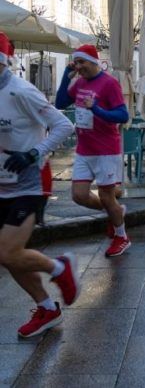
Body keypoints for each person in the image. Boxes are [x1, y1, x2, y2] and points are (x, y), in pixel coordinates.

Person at [0, 32, 80, 338]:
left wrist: (33, 153)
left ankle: (60, 268)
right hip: (1, 182)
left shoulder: (21, 91)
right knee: (7, 255)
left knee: (8, 253)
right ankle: (46, 308)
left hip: (29, 183)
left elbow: (63, 125)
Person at [55, 45, 131, 257]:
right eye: (76, 63)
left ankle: (121, 236)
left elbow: (123, 115)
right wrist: (65, 75)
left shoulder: (109, 83)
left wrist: (95, 109)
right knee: (79, 196)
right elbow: (60, 102)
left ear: (93, 61)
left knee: (107, 197)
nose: (78, 67)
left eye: (82, 62)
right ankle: (115, 212)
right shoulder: (79, 83)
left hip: (106, 150)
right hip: (84, 150)